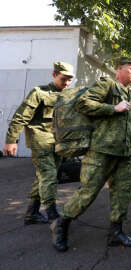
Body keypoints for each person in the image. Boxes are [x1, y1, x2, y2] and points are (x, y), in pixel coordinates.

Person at [50, 56, 131, 252]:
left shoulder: (130, 96)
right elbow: (83, 103)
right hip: (101, 151)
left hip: (123, 155)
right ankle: (61, 224)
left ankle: (116, 233)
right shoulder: (107, 85)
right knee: (88, 193)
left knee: (123, 194)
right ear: (119, 69)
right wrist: (112, 108)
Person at [3, 62, 74, 225]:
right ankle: (52, 214)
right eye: (64, 79)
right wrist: (11, 141)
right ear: (54, 75)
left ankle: (32, 213)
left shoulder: (68, 95)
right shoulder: (39, 92)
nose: (67, 83)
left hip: (58, 142)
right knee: (49, 175)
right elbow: (21, 116)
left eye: (70, 80)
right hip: (40, 141)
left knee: (43, 176)